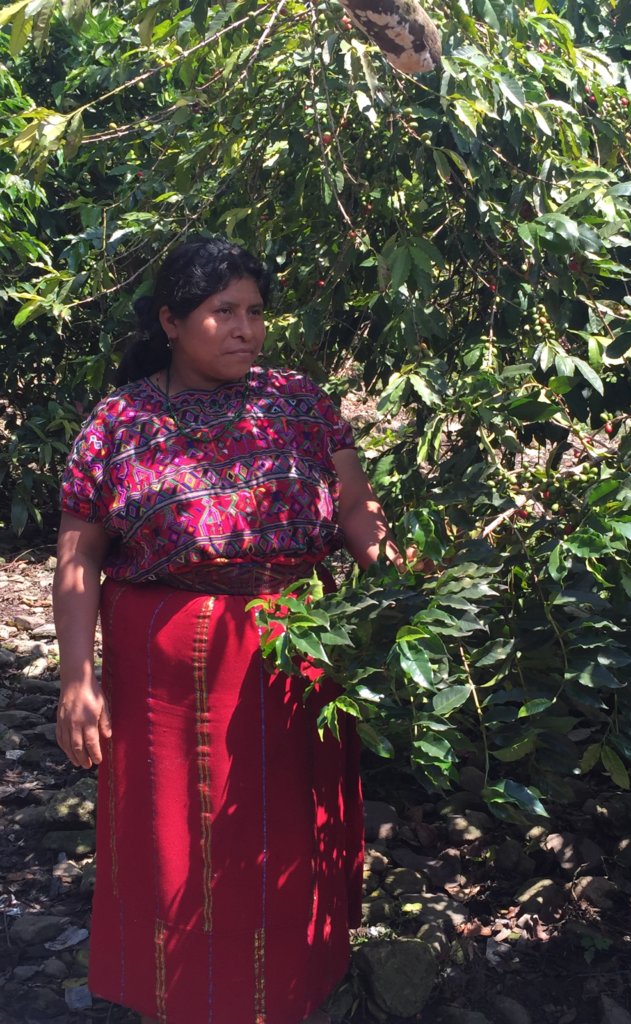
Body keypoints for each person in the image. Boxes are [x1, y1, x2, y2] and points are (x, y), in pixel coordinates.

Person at [53, 237, 401, 1024]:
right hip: (163, 669)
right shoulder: (120, 421)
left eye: (255, 312)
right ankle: (177, 995)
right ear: (173, 321)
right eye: (224, 312)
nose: (246, 329)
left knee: (281, 827)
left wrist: (407, 591)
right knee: (173, 834)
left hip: (292, 651)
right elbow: (78, 557)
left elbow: (353, 509)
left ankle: (289, 992)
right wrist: (78, 680)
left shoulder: (300, 402)